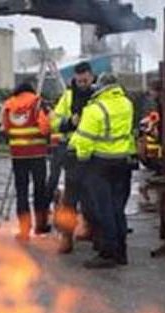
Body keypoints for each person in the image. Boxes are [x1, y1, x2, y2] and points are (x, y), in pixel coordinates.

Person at [71, 73, 136, 269]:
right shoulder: (127, 104)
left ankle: (107, 252)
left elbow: (84, 140)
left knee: (104, 210)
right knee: (118, 209)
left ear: (100, 87)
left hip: (100, 164)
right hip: (122, 162)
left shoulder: (94, 109)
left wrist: (80, 161)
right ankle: (121, 252)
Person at [49, 61, 96, 254]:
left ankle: (90, 230)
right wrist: (69, 122)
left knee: (92, 196)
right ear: (75, 78)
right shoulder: (68, 96)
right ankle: (66, 237)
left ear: (92, 77)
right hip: (73, 153)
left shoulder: (98, 95)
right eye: (79, 80)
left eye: (85, 79)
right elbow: (54, 121)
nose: (82, 83)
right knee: (70, 198)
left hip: (94, 153)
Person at [2, 82, 51, 242]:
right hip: (37, 153)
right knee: (39, 190)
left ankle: (24, 229)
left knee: (21, 191)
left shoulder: (9, 104)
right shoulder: (37, 102)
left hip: (18, 154)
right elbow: (45, 127)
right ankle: (40, 225)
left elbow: (6, 128)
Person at [137, 80, 163, 212]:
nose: (150, 93)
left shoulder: (156, 103)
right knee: (159, 170)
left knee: (159, 170)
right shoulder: (158, 103)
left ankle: (147, 191)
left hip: (156, 145)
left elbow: (153, 120)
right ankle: (151, 195)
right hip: (156, 144)